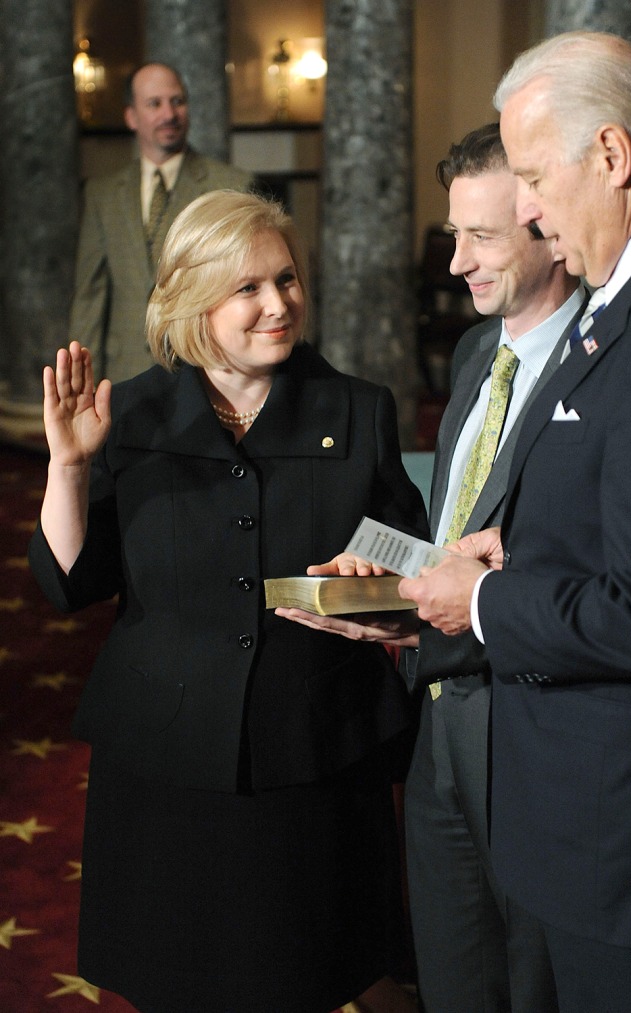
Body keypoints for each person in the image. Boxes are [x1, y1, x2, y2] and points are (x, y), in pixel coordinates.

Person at [396, 31, 631, 1013]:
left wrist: (486, 597)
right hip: (604, 828)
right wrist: (523, 548)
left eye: (529, 177)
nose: (521, 208)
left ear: (610, 156)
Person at [29, 189, 428, 1013]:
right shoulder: (128, 412)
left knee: (314, 973)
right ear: (189, 297)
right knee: (178, 981)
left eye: (286, 279)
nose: (276, 304)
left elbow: (414, 575)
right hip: (167, 764)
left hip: (314, 757)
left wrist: (373, 586)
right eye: (247, 287)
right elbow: (71, 581)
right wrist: (68, 468)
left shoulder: (358, 409)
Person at [277, 123, 584, 1012]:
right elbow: (455, 539)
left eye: (481, 237)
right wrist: (379, 574)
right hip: (437, 721)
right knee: (454, 982)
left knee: (537, 987)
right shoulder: (476, 354)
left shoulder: (605, 365)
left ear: (546, 227)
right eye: (455, 234)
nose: (456, 263)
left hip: (534, 734)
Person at [70, 62, 254, 385]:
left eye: (177, 101)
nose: (169, 114)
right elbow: (90, 297)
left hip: (205, 371)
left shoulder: (231, 185)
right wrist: (85, 383)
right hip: (124, 373)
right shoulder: (102, 194)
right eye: (154, 104)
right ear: (131, 117)